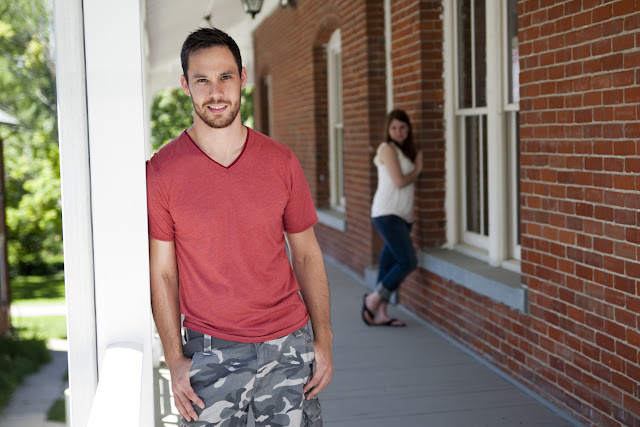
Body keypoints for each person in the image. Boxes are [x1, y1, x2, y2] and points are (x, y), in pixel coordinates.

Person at [146, 27, 333, 426]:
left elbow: (306, 254)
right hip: (210, 353)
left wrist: (324, 340)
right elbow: (162, 273)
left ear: (242, 78)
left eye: (225, 77)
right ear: (185, 85)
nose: (216, 92)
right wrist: (173, 358)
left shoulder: (281, 162)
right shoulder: (162, 172)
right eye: (202, 80)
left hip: (289, 347)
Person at [362, 109, 422, 327]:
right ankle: (373, 299)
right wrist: (418, 169)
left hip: (401, 216)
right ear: (388, 130)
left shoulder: (403, 150)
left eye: (403, 127)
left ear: (408, 128)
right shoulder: (387, 148)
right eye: (394, 128)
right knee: (407, 261)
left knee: (387, 264)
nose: (399, 131)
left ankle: (380, 313)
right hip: (388, 214)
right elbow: (399, 182)